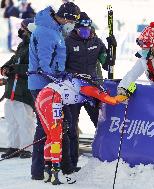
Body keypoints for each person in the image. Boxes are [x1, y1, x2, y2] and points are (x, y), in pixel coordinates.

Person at [34, 73, 127, 185]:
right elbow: (112, 100)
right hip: (52, 98)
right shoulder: (89, 88)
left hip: (42, 97)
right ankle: (55, 173)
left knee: (50, 135)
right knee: (56, 136)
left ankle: (47, 170)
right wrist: (128, 93)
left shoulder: (79, 82)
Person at [28, 2, 80, 180]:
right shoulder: (46, 32)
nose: (72, 26)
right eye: (72, 22)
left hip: (50, 84)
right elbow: (44, 64)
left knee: (56, 127)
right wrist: (58, 76)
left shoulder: (53, 29)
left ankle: (56, 166)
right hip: (43, 84)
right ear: (66, 18)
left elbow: (54, 59)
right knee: (46, 128)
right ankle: (40, 170)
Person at [64, 11, 115, 168]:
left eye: (89, 30)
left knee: (100, 122)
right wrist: (71, 75)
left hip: (92, 89)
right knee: (71, 127)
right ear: (76, 29)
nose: (86, 33)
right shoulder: (67, 42)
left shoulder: (96, 41)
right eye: (82, 30)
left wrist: (112, 48)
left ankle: (105, 159)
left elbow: (107, 63)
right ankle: (71, 164)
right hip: (73, 89)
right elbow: (61, 66)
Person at [0, 18, 35, 159]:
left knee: (25, 121)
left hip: (23, 92)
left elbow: (33, 67)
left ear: (28, 30)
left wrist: (14, 69)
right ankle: (13, 146)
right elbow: (13, 61)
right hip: (11, 91)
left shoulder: (34, 46)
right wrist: (5, 67)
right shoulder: (22, 46)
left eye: (22, 28)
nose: (20, 31)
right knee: (11, 122)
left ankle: (26, 147)